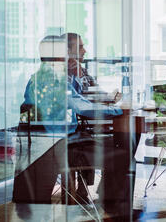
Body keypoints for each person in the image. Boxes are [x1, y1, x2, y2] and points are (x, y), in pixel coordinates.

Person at [13, 34, 129, 217]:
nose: (70, 55)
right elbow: (81, 106)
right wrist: (121, 110)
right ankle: (113, 211)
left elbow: (77, 100)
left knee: (114, 148)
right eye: (66, 51)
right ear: (59, 55)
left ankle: (103, 202)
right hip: (57, 149)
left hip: (48, 146)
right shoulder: (54, 80)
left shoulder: (40, 76)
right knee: (121, 154)